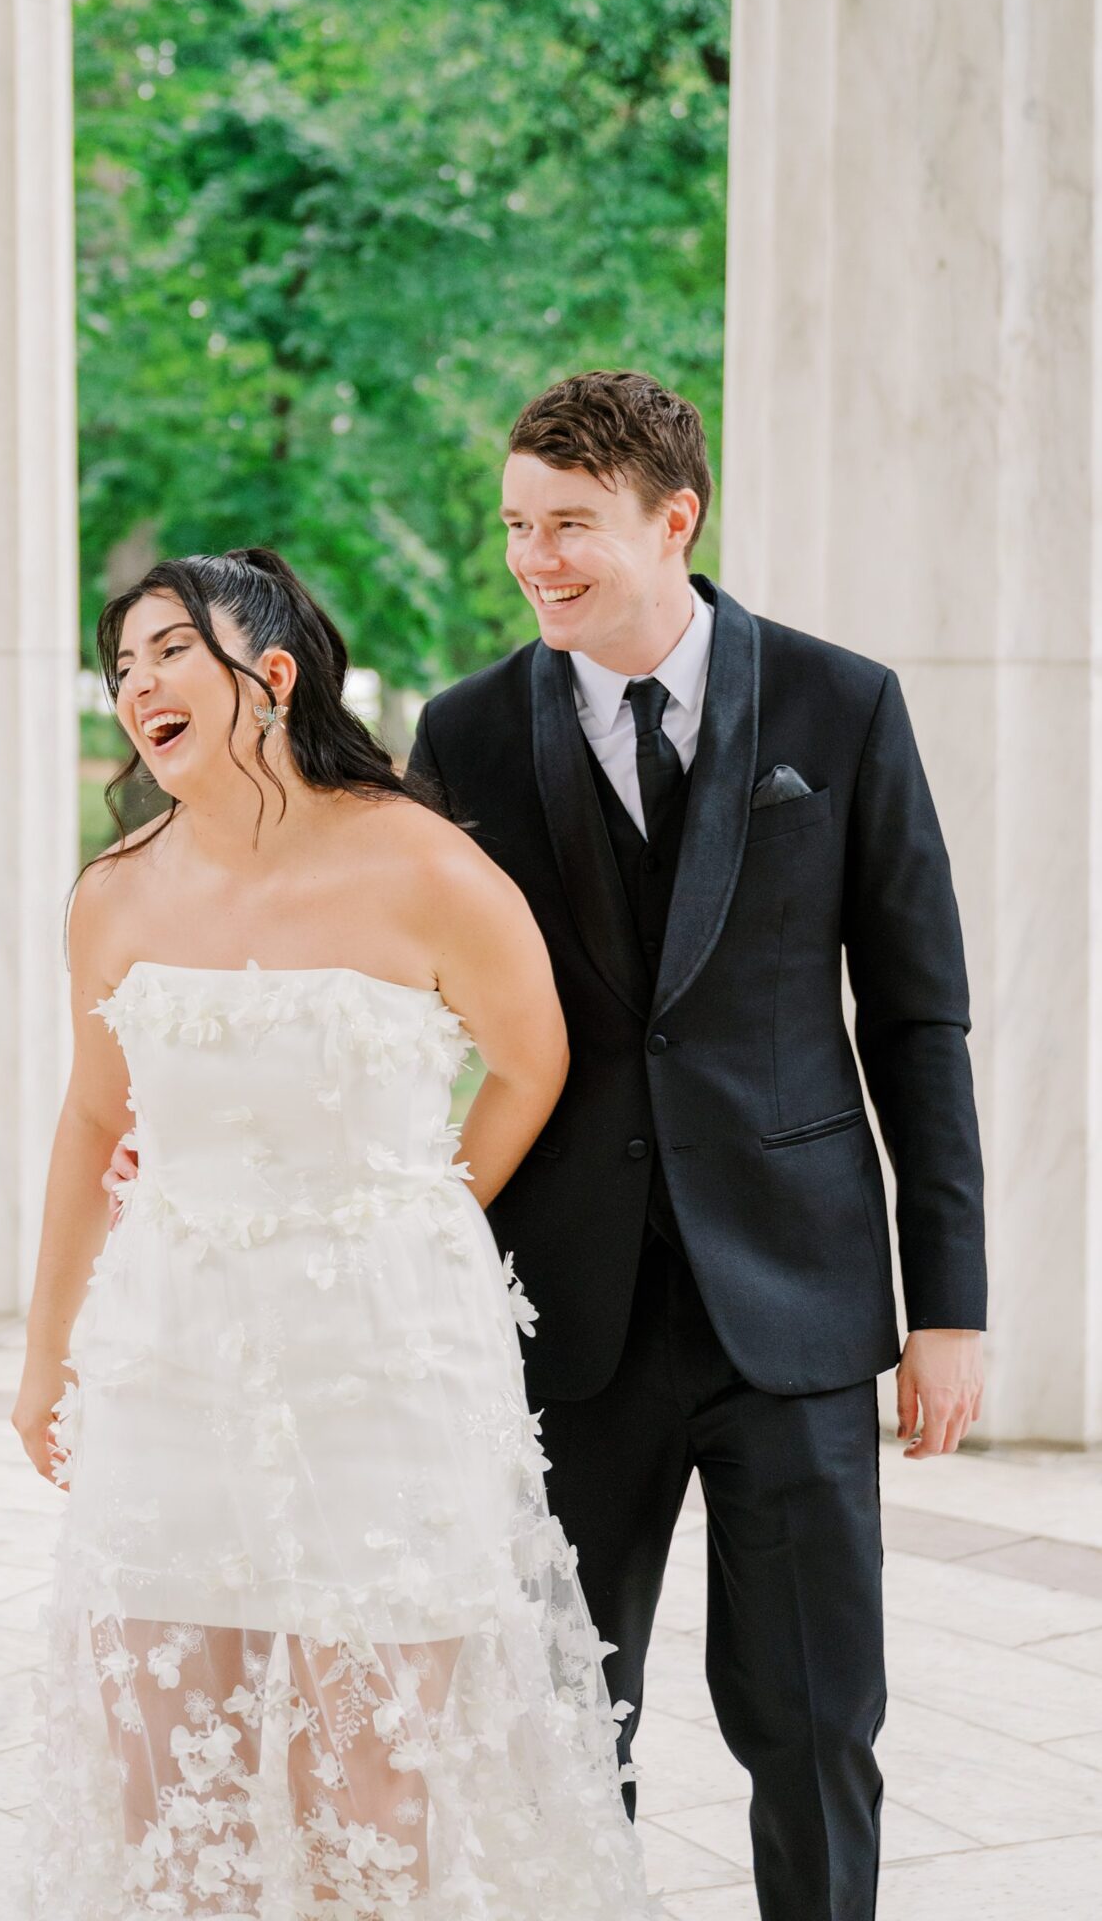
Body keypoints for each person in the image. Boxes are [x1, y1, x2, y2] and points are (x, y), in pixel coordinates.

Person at [403, 369, 987, 1921]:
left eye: (572, 527)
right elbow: (382, 993)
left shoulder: (839, 705)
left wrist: (951, 1307)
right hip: (564, 1309)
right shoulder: (463, 733)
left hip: (792, 1304)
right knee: (560, 1723)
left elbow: (918, 1021)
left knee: (813, 1718)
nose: (535, 558)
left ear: (678, 518)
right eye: (519, 524)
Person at [14, 547, 658, 1919]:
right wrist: (44, 1358)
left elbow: (531, 1062)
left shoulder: (425, 864)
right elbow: (88, 1122)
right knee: (168, 1794)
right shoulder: (115, 890)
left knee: (364, 1794)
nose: (137, 685)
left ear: (274, 672)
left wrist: (415, 1217)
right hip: (172, 1370)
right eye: (122, 665)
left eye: (169, 650)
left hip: (381, 1379)